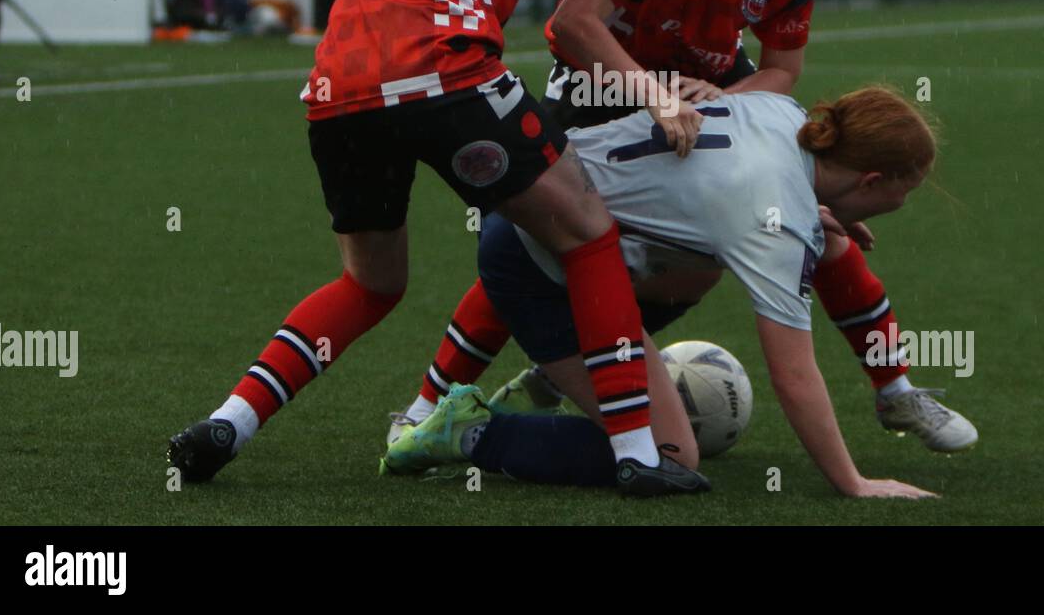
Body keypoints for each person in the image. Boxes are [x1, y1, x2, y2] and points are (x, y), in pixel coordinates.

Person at [167, 0, 707, 495]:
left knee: (371, 282)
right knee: (589, 233)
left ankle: (228, 421)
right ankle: (636, 454)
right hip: (442, 72)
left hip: (338, 86)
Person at [400, 0, 977, 452]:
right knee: (542, 244)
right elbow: (572, 22)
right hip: (603, 87)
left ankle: (895, 393)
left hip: (707, 87)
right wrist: (652, 96)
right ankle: (428, 405)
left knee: (820, 238)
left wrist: (743, 124)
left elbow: (781, 72)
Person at [384, 86, 940, 500]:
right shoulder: (777, 224)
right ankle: (471, 432)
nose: (904, 204)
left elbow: (722, 182)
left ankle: (583, 375)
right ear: (872, 181)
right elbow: (793, 375)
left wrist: (813, 217)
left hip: (543, 200)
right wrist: (853, 482)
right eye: (906, 191)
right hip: (536, 262)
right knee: (671, 456)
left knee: (702, 268)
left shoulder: (784, 114)